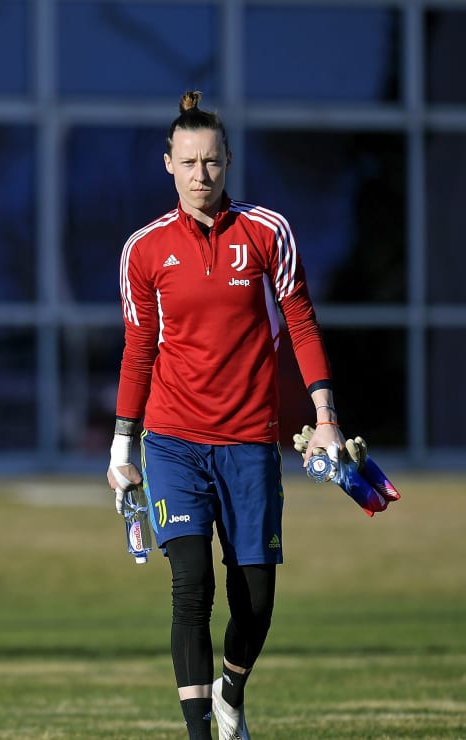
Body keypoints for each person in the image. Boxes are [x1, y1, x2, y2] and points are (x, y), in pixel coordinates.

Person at [107, 91, 345, 740]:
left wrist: (325, 416)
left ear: (229, 162)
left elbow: (301, 323)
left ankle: (231, 690)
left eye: (211, 162)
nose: (200, 175)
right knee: (191, 586)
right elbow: (138, 350)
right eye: (187, 162)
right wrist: (121, 447)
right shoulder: (145, 250)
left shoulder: (268, 232)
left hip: (249, 444)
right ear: (167, 164)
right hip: (173, 442)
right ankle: (199, 734)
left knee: (256, 600)